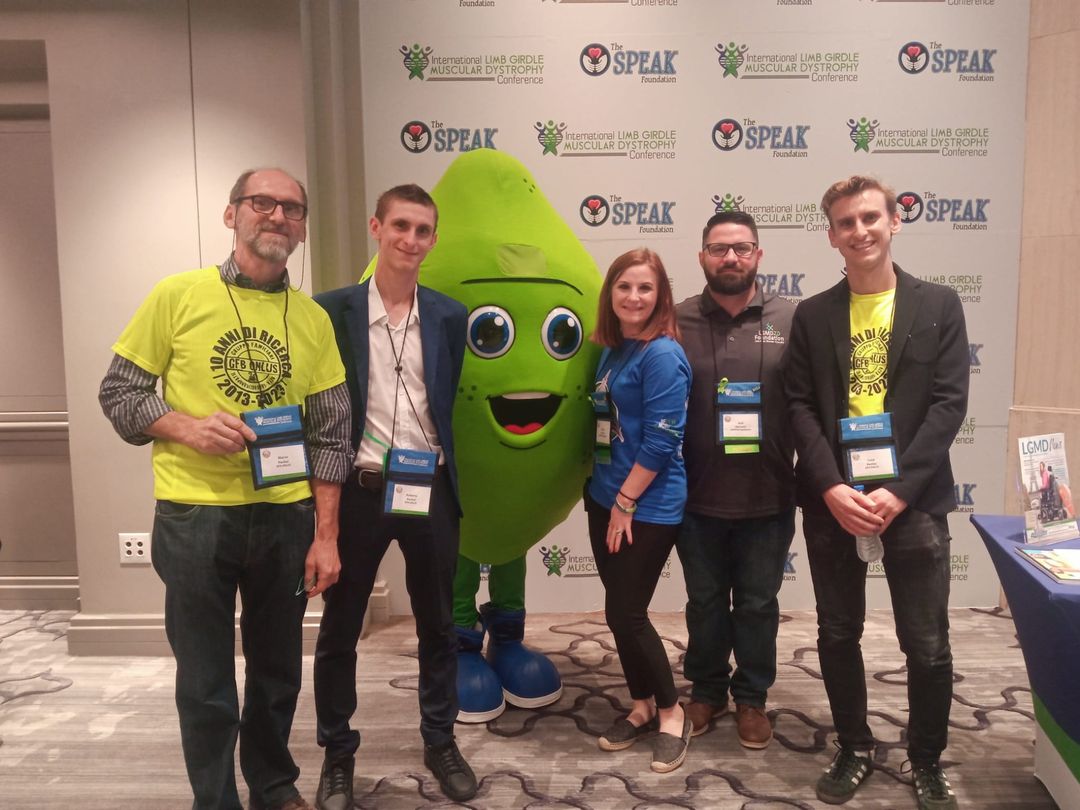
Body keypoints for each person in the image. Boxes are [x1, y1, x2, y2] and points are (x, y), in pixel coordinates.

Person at [99, 168, 351, 810]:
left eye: (292, 208)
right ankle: (214, 800)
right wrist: (185, 426)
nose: (278, 216)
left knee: (277, 673)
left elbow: (331, 435)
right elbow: (119, 392)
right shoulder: (177, 295)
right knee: (206, 679)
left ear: (303, 228)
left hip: (285, 517)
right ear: (231, 213)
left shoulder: (313, 319)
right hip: (195, 516)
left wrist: (326, 536)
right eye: (262, 202)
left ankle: (273, 786)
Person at [784, 175, 968, 809]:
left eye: (869, 218)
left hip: (913, 502)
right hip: (835, 502)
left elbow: (948, 405)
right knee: (838, 633)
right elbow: (800, 407)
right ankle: (854, 747)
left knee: (927, 644)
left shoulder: (939, 304)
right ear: (831, 236)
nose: (859, 230)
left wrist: (900, 489)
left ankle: (927, 759)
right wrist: (831, 487)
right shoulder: (813, 315)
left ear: (894, 221)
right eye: (845, 222)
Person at [311, 184, 476, 807]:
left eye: (423, 230)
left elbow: (445, 396)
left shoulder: (450, 316)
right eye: (400, 226)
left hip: (429, 486)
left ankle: (440, 739)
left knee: (439, 623)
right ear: (376, 227)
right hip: (359, 489)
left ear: (433, 240)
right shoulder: (331, 311)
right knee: (340, 627)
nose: (411, 239)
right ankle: (337, 754)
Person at [674, 211, 796, 748]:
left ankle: (751, 697)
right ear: (702, 256)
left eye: (742, 248)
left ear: (758, 255)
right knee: (703, 602)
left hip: (768, 496)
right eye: (719, 248)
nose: (730, 258)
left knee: (757, 605)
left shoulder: (792, 319)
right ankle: (705, 691)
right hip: (694, 496)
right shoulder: (674, 320)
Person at [586, 247, 693, 773]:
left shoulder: (662, 355)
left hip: (646, 505)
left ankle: (672, 712)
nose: (633, 296)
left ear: (661, 296)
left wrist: (626, 503)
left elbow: (662, 439)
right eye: (624, 286)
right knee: (617, 611)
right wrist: (608, 499)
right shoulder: (614, 349)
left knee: (627, 613)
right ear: (610, 293)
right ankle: (642, 704)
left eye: (645, 287)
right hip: (604, 496)